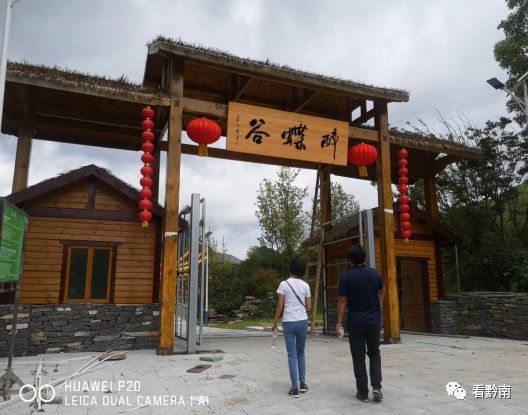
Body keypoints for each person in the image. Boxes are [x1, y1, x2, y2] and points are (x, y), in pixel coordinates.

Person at [336, 243, 385, 403]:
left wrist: (339, 322)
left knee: (358, 357)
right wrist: (379, 304)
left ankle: (363, 392)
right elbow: (382, 289)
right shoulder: (374, 274)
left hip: (356, 322)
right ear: (364, 258)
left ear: (350, 260)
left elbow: (343, 300)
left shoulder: (347, 277)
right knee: (374, 353)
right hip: (373, 321)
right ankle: (376, 387)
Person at [272, 257, 312, 398]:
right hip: (302, 322)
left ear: (291, 269)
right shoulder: (306, 286)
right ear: (303, 271)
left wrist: (275, 322)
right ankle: (302, 384)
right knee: (301, 353)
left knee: (292, 355)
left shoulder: (284, 284)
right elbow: (309, 307)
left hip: (288, 322)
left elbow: (280, 306)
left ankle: (294, 388)